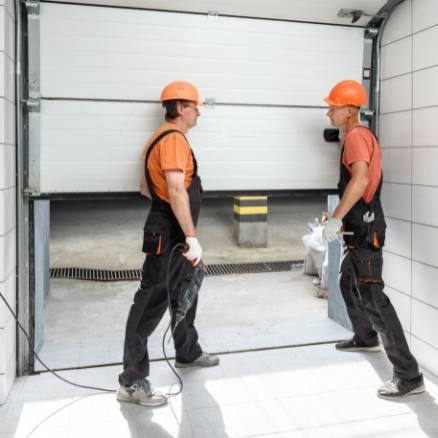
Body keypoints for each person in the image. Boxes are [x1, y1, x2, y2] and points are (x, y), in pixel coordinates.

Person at [117, 81, 219, 407]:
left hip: (170, 231)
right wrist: (191, 236)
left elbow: (146, 189)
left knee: (184, 293)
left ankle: (187, 352)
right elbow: (175, 191)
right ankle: (132, 382)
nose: (198, 111)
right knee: (150, 304)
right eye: (194, 106)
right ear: (180, 109)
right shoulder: (173, 139)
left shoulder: (161, 140)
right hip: (169, 235)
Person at [323, 80, 425, 400]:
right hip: (359, 227)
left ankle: (408, 374)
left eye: (333, 107)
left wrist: (337, 216)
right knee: (346, 281)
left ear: (350, 111)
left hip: (365, 229)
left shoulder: (355, 136)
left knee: (373, 298)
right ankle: (365, 337)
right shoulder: (355, 135)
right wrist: (339, 218)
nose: (329, 112)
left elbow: (361, 179)